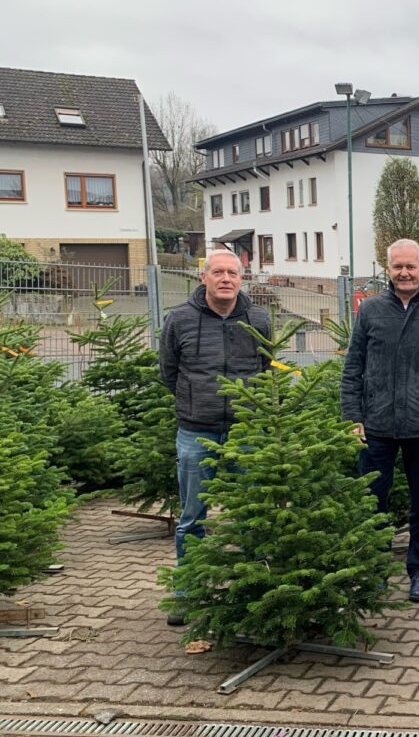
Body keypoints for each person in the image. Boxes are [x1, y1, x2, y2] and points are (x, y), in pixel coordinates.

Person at [340, 238, 419, 603]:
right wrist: (352, 416)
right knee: (372, 499)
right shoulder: (370, 310)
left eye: (411, 266)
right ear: (388, 269)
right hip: (376, 424)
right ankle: (376, 570)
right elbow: (353, 367)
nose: (405, 273)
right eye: (398, 266)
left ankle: (418, 571)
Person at [159, 249, 272, 626]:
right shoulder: (179, 319)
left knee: (252, 512)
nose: (226, 279)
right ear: (203, 277)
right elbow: (169, 371)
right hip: (196, 430)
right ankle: (188, 590)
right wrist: (197, 401)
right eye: (218, 272)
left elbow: (266, 368)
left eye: (232, 273)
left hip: (245, 430)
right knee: (192, 515)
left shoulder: (259, 318)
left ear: (241, 279)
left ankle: (255, 585)